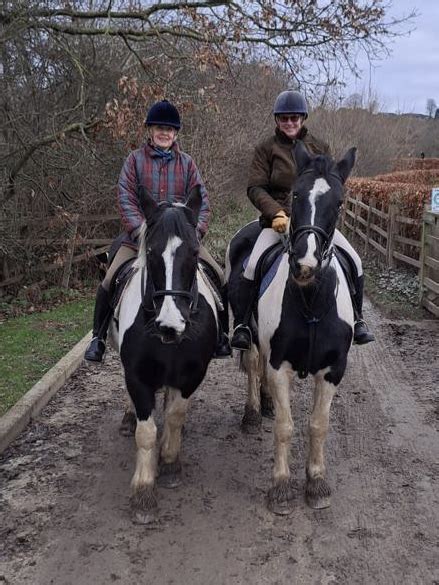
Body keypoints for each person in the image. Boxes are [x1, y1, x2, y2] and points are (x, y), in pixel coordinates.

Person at [85, 99, 231, 362]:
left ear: (175, 133)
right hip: (140, 239)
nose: (165, 133)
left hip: (180, 240)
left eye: (169, 129)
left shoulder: (187, 164)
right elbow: (126, 198)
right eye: (159, 127)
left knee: (219, 275)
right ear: (150, 130)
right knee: (109, 280)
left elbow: (202, 202)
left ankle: (222, 337)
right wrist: (142, 231)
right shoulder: (134, 161)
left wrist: (192, 235)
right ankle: (98, 337)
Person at [230, 89, 375, 350]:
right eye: (284, 118)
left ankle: (358, 319)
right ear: (277, 120)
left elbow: (331, 183)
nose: (289, 123)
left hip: (314, 224)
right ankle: (242, 325)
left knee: (354, 260)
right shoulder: (266, 149)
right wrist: (276, 213)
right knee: (251, 266)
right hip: (278, 223)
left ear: (303, 118)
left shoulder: (319, 147)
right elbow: (255, 188)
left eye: (294, 118)